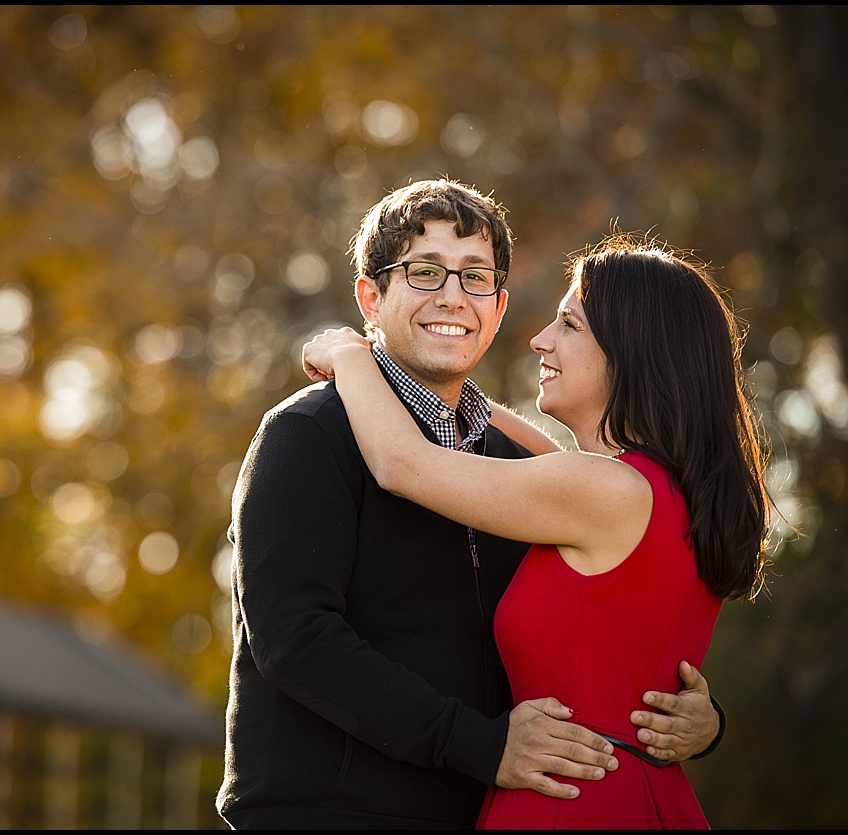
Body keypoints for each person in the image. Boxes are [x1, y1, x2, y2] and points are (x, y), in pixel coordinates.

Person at [217, 180, 723, 830]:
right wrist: (479, 744)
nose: (452, 295)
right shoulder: (310, 433)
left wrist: (701, 717)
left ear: (499, 304)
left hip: (482, 811)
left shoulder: (520, 475)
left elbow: (601, 634)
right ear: (370, 296)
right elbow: (294, 640)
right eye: (425, 271)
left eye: (476, 277)